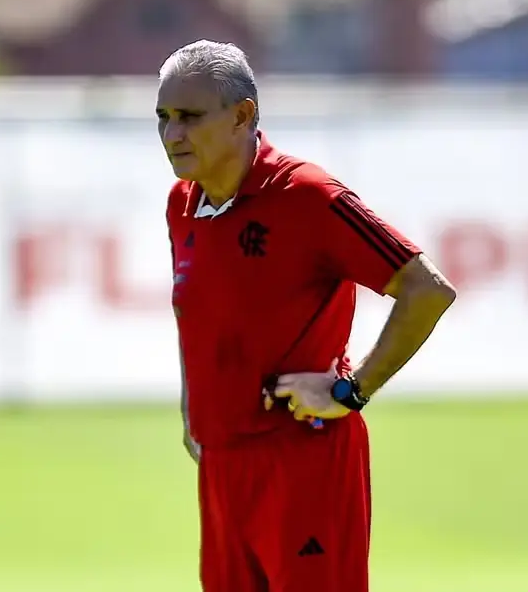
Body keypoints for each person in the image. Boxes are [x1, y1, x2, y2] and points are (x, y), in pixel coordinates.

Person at [158, 40, 456, 592]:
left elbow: (427, 290)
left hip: (304, 462)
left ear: (242, 115)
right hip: (222, 469)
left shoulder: (308, 196)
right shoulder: (183, 204)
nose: (172, 134)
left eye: (190, 117)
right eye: (164, 117)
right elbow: (197, 315)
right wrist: (191, 411)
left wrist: (351, 391)